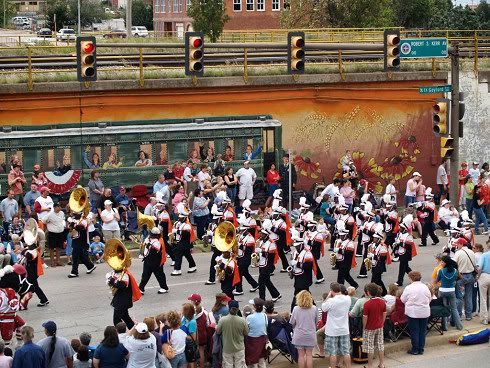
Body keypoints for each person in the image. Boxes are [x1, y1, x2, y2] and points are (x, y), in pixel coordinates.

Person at [400, 271, 431, 355]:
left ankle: (415, 349)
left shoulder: (409, 288)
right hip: (424, 311)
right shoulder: (425, 287)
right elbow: (429, 298)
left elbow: (403, 299)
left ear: (411, 278)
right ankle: (421, 348)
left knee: (414, 331)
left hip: (413, 312)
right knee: (422, 331)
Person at [322, 282, 352, 368]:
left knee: (333, 353)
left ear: (331, 290)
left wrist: (328, 296)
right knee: (346, 352)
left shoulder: (331, 301)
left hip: (332, 330)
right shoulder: (348, 299)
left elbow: (323, 308)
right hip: (344, 329)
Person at [216, 300, 249, 368]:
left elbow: (218, 332)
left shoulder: (222, 320)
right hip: (239, 348)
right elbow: (246, 333)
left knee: (228, 365)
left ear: (229, 308)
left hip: (227, 348)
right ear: (238, 309)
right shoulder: (242, 320)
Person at [290, 291, 318, 368]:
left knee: (301, 356)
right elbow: (316, 322)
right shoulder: (314, 308)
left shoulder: (296, 309)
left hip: (299, 335)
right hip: (310, 334)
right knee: (309, 355)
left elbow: (292, 322)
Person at [362, 283, 386, 368]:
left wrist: (364, 327)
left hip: (370, 328)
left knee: (370, 347)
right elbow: (384, 314)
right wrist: (382, 323)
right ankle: (382, 364)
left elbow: (365, 318)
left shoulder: (367, 304)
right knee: (380, 345)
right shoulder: (382, 301)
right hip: (379, 326)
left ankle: (370, 366)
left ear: (368, 292)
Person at [139, 227, 168, 295]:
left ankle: (164, 287)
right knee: (145, 275)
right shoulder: (149, 239)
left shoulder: (158, 242)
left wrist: (149, 244)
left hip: (156, 261)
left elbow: (156, 249)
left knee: (159, 275)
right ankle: (141, 288)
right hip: (148, 260)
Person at [437, 256, 463, 330]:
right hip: (451, 291)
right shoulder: (455, 271)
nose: (441, 263)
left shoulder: (441, 271)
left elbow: (437, 280)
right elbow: (460, 277)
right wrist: (453, 280)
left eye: (442, 262)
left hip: (442, 291)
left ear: (446, 263)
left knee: (444, 308)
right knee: (454, 309)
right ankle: (459, 326)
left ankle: (445, 327)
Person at [67, 211, 96, 279]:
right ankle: (90, 266)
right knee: (81, 256)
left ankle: (74, 272)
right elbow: (69, 228)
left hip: (82, 240)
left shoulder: (84, 220)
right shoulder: (73, 220)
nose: (74, 215)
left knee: (75, 256)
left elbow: (82, 227)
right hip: (75, 239)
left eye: (76, 213)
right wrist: (71, 225)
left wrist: (74, 225)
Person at [454, 238, 477, 321]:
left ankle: (459, 315)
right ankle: (468, 315)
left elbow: (454, 264)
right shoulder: (471, 252)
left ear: (461, 244)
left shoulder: (458, 253)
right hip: (470, 275)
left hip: (461, 275)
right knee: (468, 296)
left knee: (459, 297)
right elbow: (475, 264)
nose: (457, 245)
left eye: (458, 244)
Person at [171, 204, 197, 276]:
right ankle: (193, 266)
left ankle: (177, 269)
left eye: (181, 218)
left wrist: (176, 231)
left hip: (184, 243)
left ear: (185, 218)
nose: (179, 219)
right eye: (179, 217)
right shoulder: (178, 223)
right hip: (179, 242)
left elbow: (184, 234)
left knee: (178, 256)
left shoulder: (187, 225)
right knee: (187, 255)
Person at [245, 298, 268, 368]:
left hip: (252, 340)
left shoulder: (249, 317)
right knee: (261, 358)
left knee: (253, 360)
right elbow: (266, 325)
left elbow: (246, 329)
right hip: (262, 339)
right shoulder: (264, 315)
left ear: (254, 307)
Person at [45, 202, 66, 267]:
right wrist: (48, 223)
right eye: (58, 206)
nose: (60, 208)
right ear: (54, 207)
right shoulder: (49, 214)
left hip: (60, 233)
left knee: (58, 247)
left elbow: (63, 220)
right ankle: (52, 262)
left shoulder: (62, 213)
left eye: (60, 206)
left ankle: (58, 261)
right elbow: (43, 221)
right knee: (51, 248)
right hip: (52, 233)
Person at [477, 240, 490, 325]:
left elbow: (480, 267)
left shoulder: (484, 255)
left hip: (485, 275)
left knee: (483, 298)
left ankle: (484, 318)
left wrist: (478, 276)